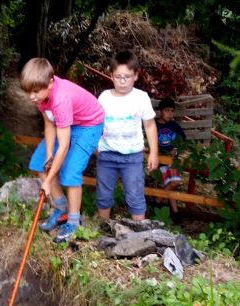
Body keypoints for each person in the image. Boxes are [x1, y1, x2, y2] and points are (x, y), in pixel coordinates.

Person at [20, 58, 105, 243]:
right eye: (28, 92)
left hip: (89, 125)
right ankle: (61, 209)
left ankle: (73, 221)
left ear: (50, 83)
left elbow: (64, 145)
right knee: (39, 163)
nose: (31, 97)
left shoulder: (61, 99)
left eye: (35, 91)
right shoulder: (41, 95)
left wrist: (48, 181)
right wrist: (49, 153)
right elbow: (49, 123)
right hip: (67, 122)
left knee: (71, 171)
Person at [96, 50, 159, 221]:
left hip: (132, 157)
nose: (122, 81)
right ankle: (103, 227)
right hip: (106, 154)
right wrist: (94, 146)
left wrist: (153, 152)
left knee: (135, 195)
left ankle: (140, 230)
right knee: (103, 194)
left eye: (127, 77)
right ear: (111, 75)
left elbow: (150, 125)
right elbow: (95, 124)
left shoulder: (141, 98)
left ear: (136, 75)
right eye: (118, 77)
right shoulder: (104, 98)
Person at [155, 97, 186, 224]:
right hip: (160, 159)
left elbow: (182, 141)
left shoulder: (175, 126)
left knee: (173, 183)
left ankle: (159, 202)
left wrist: (176, 149)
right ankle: (174, 212)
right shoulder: (154, 125)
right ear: (160, 111)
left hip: (172, 160)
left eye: (172, 111)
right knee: (174, 183)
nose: (170, 114)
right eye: (167, 110)